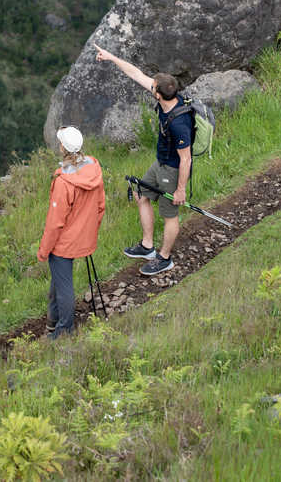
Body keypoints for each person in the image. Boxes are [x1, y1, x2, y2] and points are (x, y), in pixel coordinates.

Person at [94, 46, 192, 276]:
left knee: (170, 215)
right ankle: (147, 246)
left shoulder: (180, 123)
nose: (151, 85)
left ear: (158, 94)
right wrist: (111, 57)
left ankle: (164, 258)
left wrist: (180, 189)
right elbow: (135, 73)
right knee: (140, 193)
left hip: (173, 169)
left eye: (153, 86)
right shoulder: (168, 96)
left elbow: (186, 159)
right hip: (160, 163)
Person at [37, 126, 106, 339]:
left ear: (62, 148)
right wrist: (90, 230)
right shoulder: (94, 168)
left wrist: (43, 250)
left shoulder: (62, 182)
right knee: (59, 279)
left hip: (64, 243)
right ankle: (53, 318)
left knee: (65, 287)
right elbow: (100, 206)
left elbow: (55, 223)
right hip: (85, 236)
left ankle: (63, 329)